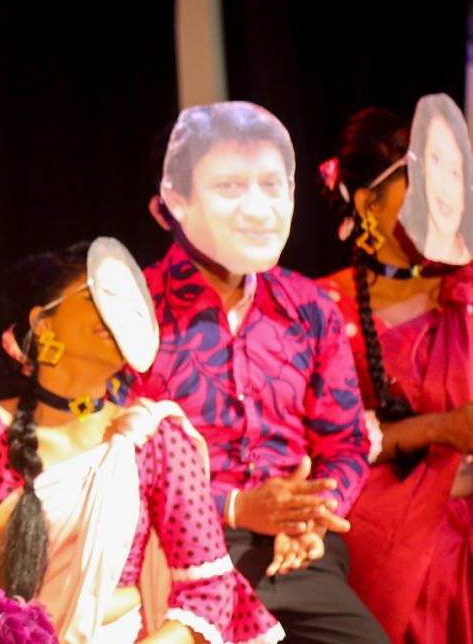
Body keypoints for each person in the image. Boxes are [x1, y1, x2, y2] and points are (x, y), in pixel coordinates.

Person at [0, 242, 282, 643]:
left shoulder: (153, 439)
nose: (115, 313)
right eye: (96, 296)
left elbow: (208, 592)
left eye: (126, 302)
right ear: (43, 322)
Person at [141, 101, 383, 643]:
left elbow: (346, 442)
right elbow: (117, 463)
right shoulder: (135, 312)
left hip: (300, 555)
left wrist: (309, 514)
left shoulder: (310, 307)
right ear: (173, 202)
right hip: (179, 558)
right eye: (229, 187)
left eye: (272, 185)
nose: (258, 209)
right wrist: (237, 507)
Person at [315, 107, 473, 642]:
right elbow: (322, 448)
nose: (442, 195)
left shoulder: (465, 294)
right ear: (368, 203)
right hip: (385, 556)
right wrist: (439, 429)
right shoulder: (317, 307)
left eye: (450, 177)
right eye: (422, 181)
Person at [400, 94, 473, 265]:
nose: (445, 187)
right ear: (421, 166)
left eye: (455, 172)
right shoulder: (404, 250)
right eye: (436, 160)